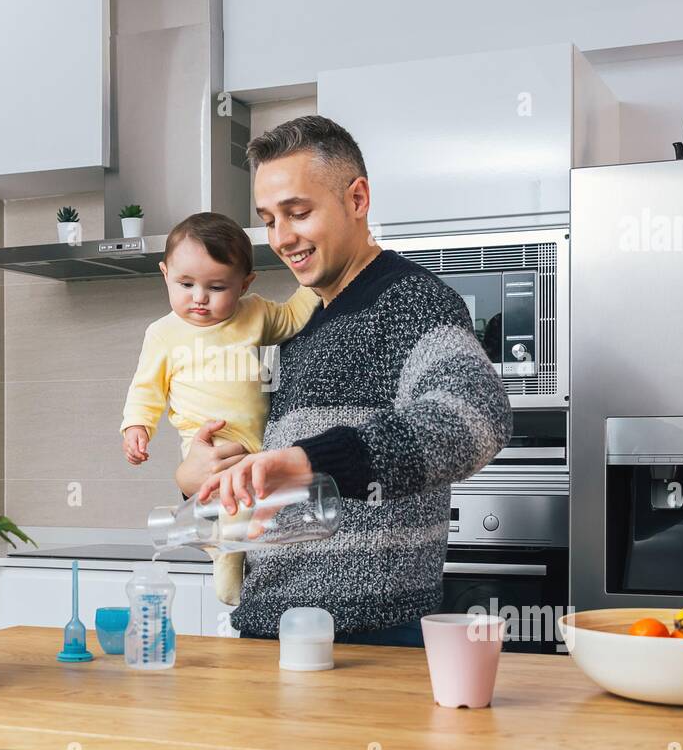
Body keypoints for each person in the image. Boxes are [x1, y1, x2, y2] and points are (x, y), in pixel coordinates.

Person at [179, 116, 513, 647]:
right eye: (268, 219)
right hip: (270, 625)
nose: (282, 238)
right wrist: (198, 475)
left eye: (298, 212)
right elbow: (268, 483)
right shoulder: (298, 326)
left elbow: (476, 418)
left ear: (357, 199)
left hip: (368, 637)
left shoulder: (413, 303)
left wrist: (313, 459)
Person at [120, 211, 320, 605]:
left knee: (252, 507)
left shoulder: (257, 314)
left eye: (216, 287)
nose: (198, 298)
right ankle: (226, 567)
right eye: (185, 283)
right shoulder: (163, 333)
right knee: (228, 505)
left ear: (245, 284)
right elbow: (146, 388)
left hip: (259, 443)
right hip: (205, 442)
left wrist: (314, 275)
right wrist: (136, 426)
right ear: (164, 274)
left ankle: (220, 540)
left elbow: (296, 316)